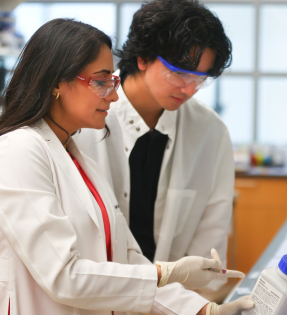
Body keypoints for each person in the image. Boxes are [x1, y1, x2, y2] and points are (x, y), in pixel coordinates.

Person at [0, 19, 252, 315]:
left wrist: (203, 310)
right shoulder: (16, 151)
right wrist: (165, 273)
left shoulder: (76, 156)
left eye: (113, 81)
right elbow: (63, 277)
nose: (113, 95)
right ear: (56, 82)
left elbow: (125, 258)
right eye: (100, 81)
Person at [74, 0, 234, 289]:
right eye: (180, 72)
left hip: (173, 302)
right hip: (92, 296)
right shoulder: (84, 121)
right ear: (143, 58)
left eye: (200, 78)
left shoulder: (211, 133)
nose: (189, 88)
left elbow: (211, 235)